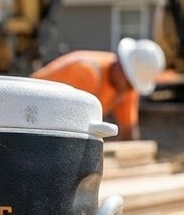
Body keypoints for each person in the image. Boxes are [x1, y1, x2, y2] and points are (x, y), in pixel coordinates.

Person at [31, 38, 166, 140]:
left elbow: (128, 131)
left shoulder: (126, 88)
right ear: (121, 67)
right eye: (130, 84)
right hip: (31, 107)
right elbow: (70, 129)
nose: (129, 91)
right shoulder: (87, 73)